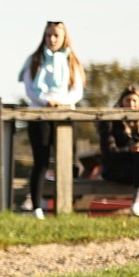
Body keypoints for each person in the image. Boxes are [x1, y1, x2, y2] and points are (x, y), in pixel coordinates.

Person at [18, 21, 84, 219]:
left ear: (64, 37)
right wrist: (46, 102)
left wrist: (61, 102)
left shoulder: (71, 60)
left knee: (69, 161)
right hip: (40, 114)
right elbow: (30, 89)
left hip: (64, 114)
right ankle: (37, 206)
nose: (52, 39)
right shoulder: (35, 59)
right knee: (41, 161)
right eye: (49, 35)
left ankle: (67, 203)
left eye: (56, 35)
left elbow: (77, 90)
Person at [98, 86, 139, 217]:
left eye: (135, 101)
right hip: (115, 169)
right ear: (121, 102)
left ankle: (137, 204)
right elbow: (109, 152)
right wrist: (130, 150)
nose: (131, 104)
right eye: (128, 100)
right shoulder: (110, 123)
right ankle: (137, 204)